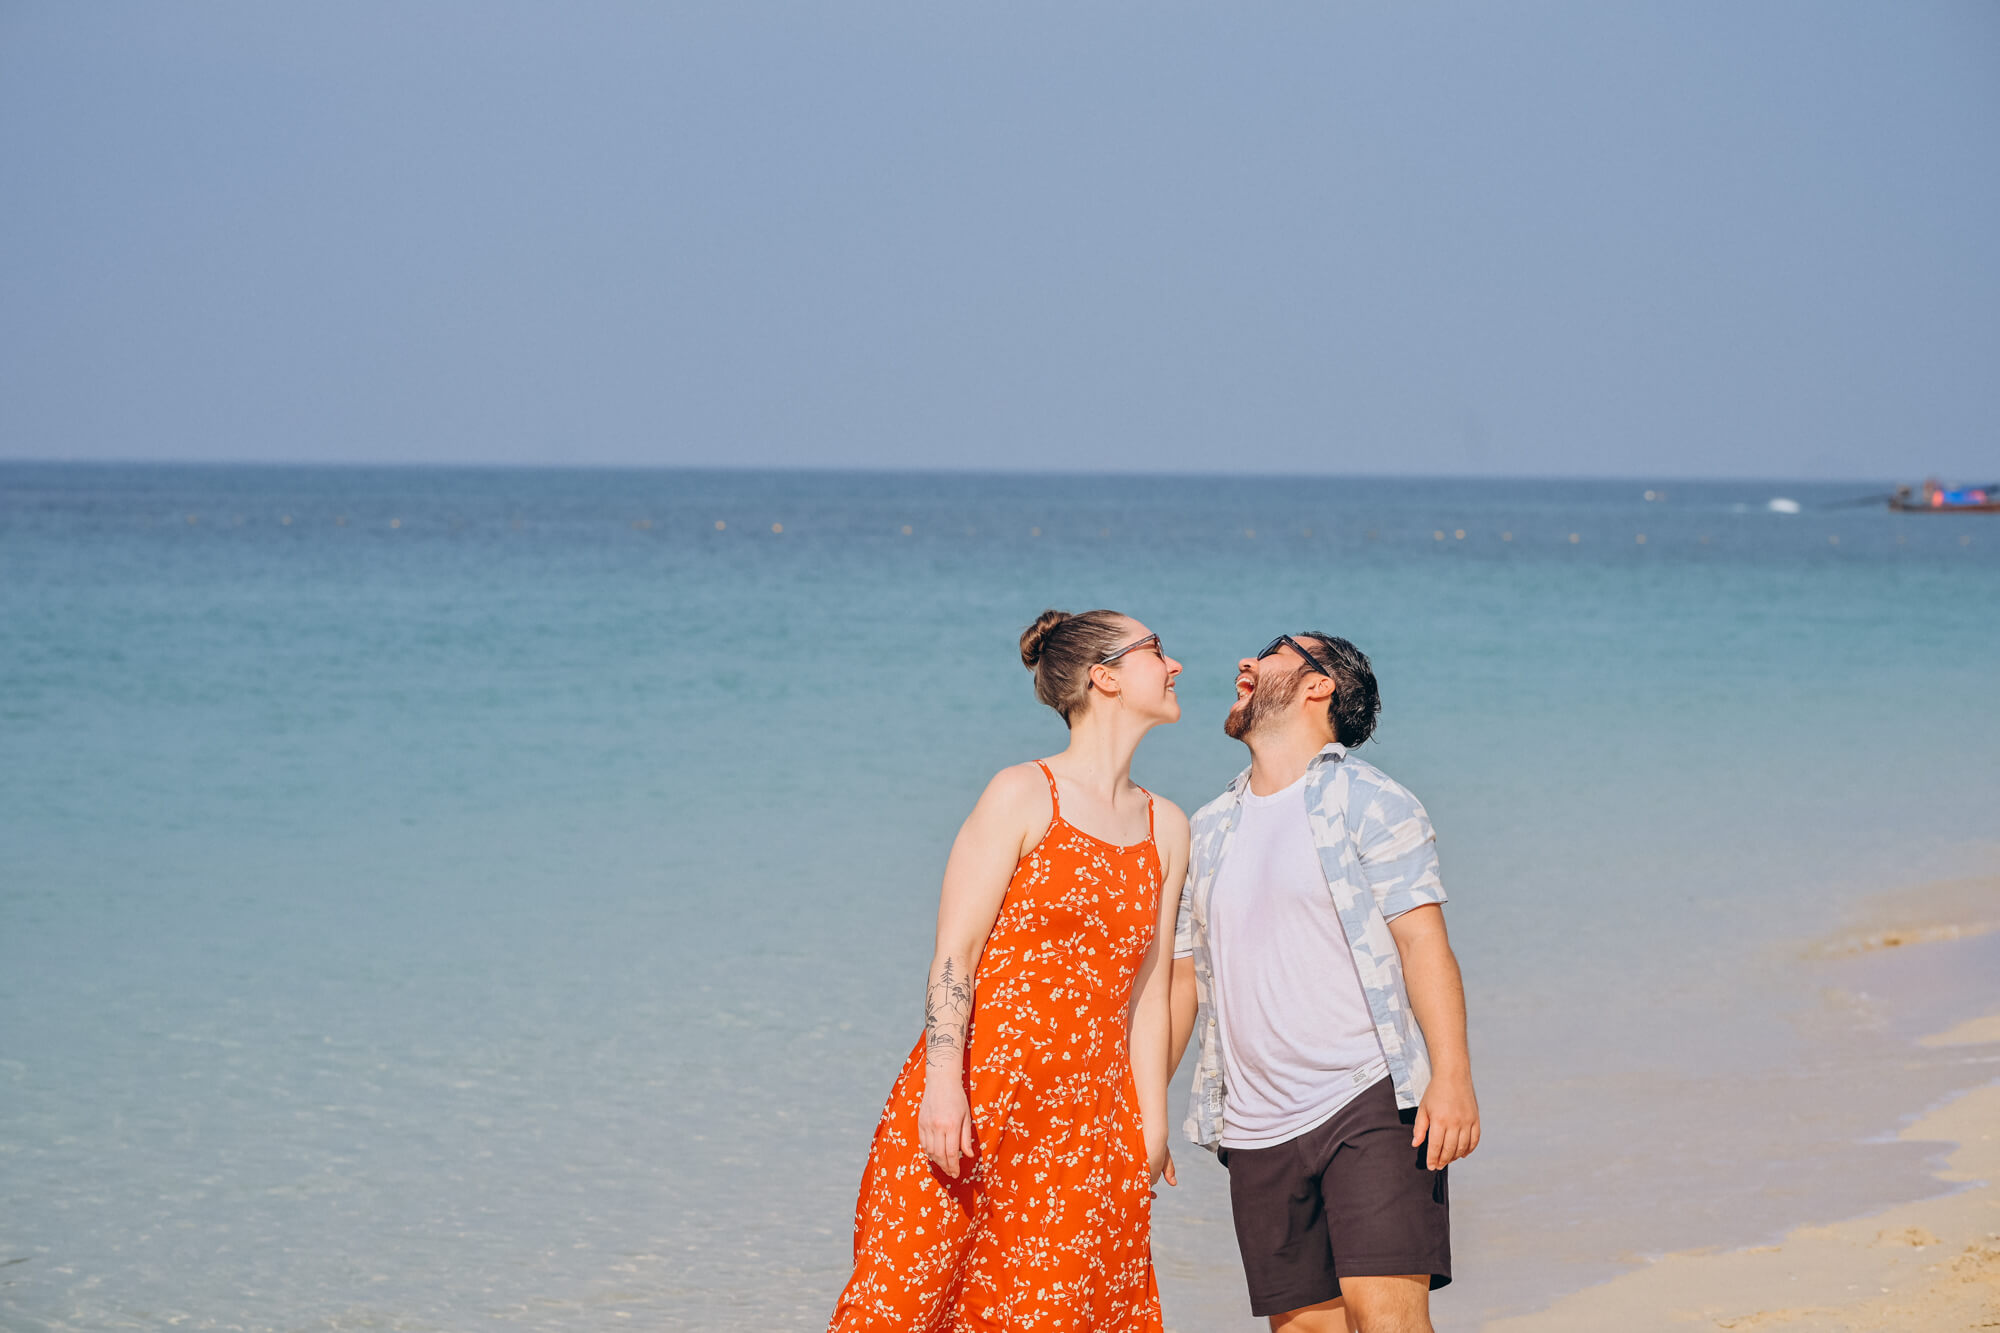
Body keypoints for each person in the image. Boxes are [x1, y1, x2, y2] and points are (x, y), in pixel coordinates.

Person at [828, 609, 1192, 1333]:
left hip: (1087, 1127)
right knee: (904, 1306)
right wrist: (941, 1086)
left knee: (1051, 1315)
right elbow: (954, 954)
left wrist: (1151, 1126)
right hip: (976, 1099)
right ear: (1105, 676)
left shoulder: (1168, 826)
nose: (1175, 664)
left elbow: (1149, 992)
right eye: (1158, 649)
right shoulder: (1022, 793)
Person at [1168, 632, 1478, 1333]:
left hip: (1366, 1097)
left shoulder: (1373, 801)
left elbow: (1422, 943)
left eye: (1270, 651)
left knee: (1387, 1317)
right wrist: (1139, 1112)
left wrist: (1452, 1075)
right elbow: (1183, 982)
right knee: (1306, 1327)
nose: (1244, 662)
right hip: (1252, 1120)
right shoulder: (1207, 828)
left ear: (1319, 686)